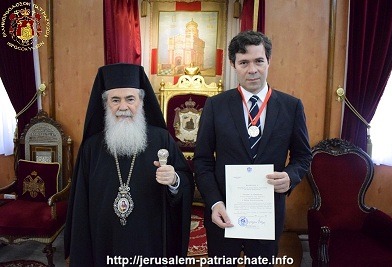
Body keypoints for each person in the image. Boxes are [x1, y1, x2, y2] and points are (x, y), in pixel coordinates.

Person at [193, 31, 312, 266]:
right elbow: (202, 161)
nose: (252, 69)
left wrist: (290, 176)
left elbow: (303, 156)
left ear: (268, 61)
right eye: (244, 62)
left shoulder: (291, 107)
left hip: (266, 215)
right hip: (223, 214)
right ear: (233, 65)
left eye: (259, 61)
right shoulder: (215, 106)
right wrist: (215, 203)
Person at [64, 63, 194, 266]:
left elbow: (185, 180)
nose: (123, 107)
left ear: (141, 102)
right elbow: (80, 202)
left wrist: (174, 180)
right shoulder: (91, 147)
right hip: (104, 242)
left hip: (149, 241)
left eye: (130, 99)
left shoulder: (161, 139)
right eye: (115, 100)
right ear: (106, 103)